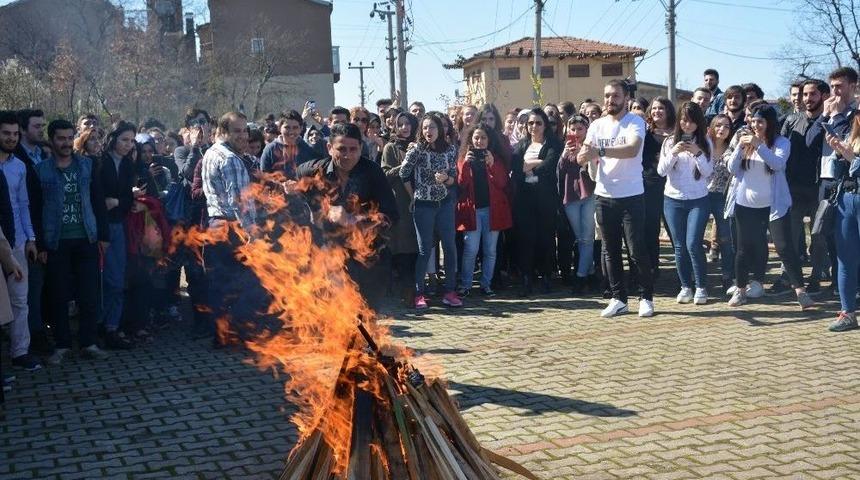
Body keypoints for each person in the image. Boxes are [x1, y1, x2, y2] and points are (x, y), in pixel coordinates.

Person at [297, 123, 398, 311]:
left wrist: (359, 221)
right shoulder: (312, 170)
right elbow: (299, 192)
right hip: (329, 256)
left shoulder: (373, 172)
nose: (347, 155)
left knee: (365, 315)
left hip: (366, 258)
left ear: (361, 148)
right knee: (331, 314)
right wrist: (325, 211)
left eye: (353, 149)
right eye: (341, 149)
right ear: (329, 148)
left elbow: (391, 214)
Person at [725, 104, 814, 310]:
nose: (756, 125)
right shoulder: (744, 141)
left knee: (784, 247)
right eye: (753, 121)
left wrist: (759, 145)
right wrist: (740, 147)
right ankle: (740, 290)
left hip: (774, 205)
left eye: (761, 122)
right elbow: (732, 168)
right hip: (745, 204)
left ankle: (801, 292)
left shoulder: (782, 142)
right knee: (743, 249)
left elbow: (777, 164)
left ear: (770, 123)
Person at [578, 80, 654, 318]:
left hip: (631, 195)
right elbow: (584, 154)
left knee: (636, 249)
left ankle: (646, 297)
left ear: (626, 98)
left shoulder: (636, 122)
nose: (611, 100)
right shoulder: (596, 125)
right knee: (610, 250)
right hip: (604, 195)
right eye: (607, 96)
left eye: (616, 96)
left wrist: (599, 151)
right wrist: (581, 155)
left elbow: (632, 150)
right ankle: (618, 298)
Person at [37, 119, 111, 364]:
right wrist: (40, 245)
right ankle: (62, 345)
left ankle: (88, 342)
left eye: (70, 138)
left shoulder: (87, 166)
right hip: (56, 241)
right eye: (61, 138)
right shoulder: (41, 170)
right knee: (59, 295)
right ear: (52, 140)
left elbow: (98, 201)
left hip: (86, 237)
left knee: (89, 294)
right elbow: (36, 209)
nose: (66, 143)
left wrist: (103, 235)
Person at [201, 111, 256, 346]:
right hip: (231, 228)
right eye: (237, 131)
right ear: (223, 132)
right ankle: (236, 332)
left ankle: (222, 335)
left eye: (245, 130)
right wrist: (250, 234)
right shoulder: (231, 159)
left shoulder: (211, 153)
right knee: (247, 283)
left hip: (214, 226)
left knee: (219, 286)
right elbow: (239, 202)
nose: (243, 135)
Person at [773, 79, 829, 294]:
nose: (807, 99)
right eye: (805, 94)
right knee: (789, 237)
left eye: (812, 94)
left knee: (818, 238)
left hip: (819, 189)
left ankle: (815, 279)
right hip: (793, 188)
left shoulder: (829, 121)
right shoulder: (791, 120)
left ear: (823, 95)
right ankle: (788, 278)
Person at [399, 113, 461, 309]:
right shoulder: (416, 149)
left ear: (440, 130)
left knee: (449, 248)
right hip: (423, 205)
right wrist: (412, 196)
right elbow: (403, 173)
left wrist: (446, 179)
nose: (428, 131)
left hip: (444, 203)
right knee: (425, 249)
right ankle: (419, 293)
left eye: (432, 127)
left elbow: (454, 177)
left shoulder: (450, 150)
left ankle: (450, 291)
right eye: (425, 128)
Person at [808, 67, 858, 297]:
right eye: (832, 87)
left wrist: (837, 116)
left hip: (849, 183)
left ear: (852, 86)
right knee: (828, 234)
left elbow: (847, 144)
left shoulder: (855, 112)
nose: (835, 92)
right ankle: (839, 286)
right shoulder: (828, 111)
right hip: (826, 180)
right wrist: (825, 117)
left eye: (839, 86)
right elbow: (811, 141)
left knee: (849, 238)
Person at [658, 102, 714, 304]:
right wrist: (674, 152)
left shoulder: (706, 141)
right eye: (683, 120)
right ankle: (685, 287)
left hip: (698, 200)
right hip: (672, 199)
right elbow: (661, 171)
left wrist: (698, 153)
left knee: (693, 243)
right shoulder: (669, 143)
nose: (687, 125)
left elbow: (708, 173)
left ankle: (701, 286)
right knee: (680, 246)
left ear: (698, 122)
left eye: (691, 121)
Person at [0, 111, 40, 371]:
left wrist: (31, 239)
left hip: (16, 241)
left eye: (15, 134)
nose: (12, 138)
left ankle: (20, 353)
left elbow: (24, 205)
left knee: (19, 301)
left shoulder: (19, 166)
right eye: (6, 133)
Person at [455, 124, 511, 297]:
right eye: (476, 138)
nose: (479, 141)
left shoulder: (496, 159)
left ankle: (486, 284)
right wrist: (465, 165)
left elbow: (502, 183)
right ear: (471, 139)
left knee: (490, 250)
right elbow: (460, 184)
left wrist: (492, 164)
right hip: (472, 212)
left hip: (492, 211)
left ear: (489, 140)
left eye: (483, 138)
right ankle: (465, 285)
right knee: (471, 249)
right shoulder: (464, 158)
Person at [511, 108, 561, 296]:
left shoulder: (553, 144)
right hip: (524, 200)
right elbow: (516, 168)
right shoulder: (521, 145)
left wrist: (529, 166)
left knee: (546, 239)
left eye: (538, 123)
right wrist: (536, 163)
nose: (534, 126)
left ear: (545, 125)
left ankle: (546, 277)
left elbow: (550, 166)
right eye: (530, 123)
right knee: (526, 239)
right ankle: (526, 278)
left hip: (546, 199)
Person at [98, 121, 137, 349]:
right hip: (100, 225)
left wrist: (117, 202)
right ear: (113, 139)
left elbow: (127, 199)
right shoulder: (100, 162)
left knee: (117, 278)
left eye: (131, 141)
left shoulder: (128, 165)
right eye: (124, 140)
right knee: (104, 279)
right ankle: (100, 325)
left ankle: (112, 326)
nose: (128, 145)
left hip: (118, 223)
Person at [380, 112, 419, 305]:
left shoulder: (420, 145)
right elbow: (385, 174)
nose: (404, 127)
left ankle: (417, 289)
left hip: (420, 201)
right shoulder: (390, 147)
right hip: (400, 203)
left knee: (418, 248)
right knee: (402, 247)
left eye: (408, 124)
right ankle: (404, 291)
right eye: (400, 124)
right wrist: (403, 165)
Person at [826, 111, 860, 331]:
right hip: (847, 199)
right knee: (845, 258)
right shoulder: (852, 136)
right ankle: (847, 312)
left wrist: (853, 159)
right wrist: (838, 152)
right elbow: (839, 172)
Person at [558, 114, 596, 293]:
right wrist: (565, 154)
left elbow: (594, 167)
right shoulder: (565, 146)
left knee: (587, 238)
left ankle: (580, 277)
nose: (576, 132)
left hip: (589, 193)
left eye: (580, 129)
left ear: (587, 130)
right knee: (581, 238)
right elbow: (559, 171)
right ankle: (591, 272)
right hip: (570, 195)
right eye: (573, 129)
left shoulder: (590, 146)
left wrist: (584, 153)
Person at [642, 97, 676, 280]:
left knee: (674, 228)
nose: (656, 111)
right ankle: (653, 267)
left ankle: (683, 268)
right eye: (654, 108)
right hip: (650, 184)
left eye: (661, 108)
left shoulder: (678, 133)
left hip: (674, 184)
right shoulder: (645, 133)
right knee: (651, 227)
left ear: (669, 111)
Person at [706, 114, 737, 293]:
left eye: (726, 126)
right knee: (694, 239)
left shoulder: (731, 150)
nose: (722, 129)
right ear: (711, 127)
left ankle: (727, 277)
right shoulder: (704, 146)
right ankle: (698, 278)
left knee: (726, 239)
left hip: (722, 196)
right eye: (718, 125)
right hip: (701, 195)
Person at [259, 110, 317, 179]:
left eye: (295, 127)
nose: (291, 132)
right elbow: (264, 178)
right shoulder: (270, 150)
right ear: (280, 128)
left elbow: (314, 177)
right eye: (287, 127)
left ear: (301, 128)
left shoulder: (307, 149)